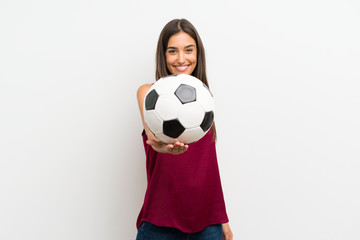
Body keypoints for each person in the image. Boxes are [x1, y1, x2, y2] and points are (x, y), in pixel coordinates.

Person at [136, 19, 233, 240]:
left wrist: (223, 220)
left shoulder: (204, 100)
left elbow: (209, 169)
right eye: (173, 51)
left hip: (208, 225)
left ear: (198, 54)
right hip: (159, 224)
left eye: (188, 50)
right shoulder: (148, 92)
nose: (181, 59)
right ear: (163, 55)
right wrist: (163, 147)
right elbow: (152, 135)